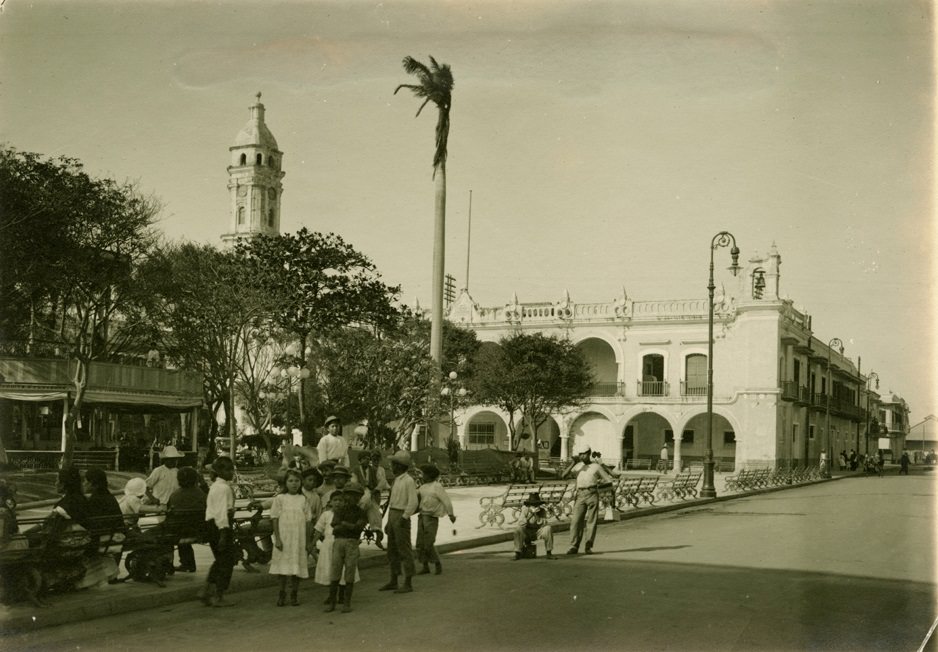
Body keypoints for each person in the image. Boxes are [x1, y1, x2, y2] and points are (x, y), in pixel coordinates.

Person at [270, 469, 313, 607]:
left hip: (298, 539)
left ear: (301, 483)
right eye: (291, 481)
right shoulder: (280, 498)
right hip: (284, 538)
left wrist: (308, 541)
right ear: (285, 483)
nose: (294, 484)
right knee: (282, 568)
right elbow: (275, 518)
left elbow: (308, 521)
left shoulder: (303, 499)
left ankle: (294, 593)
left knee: (296, 567)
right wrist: (277, 539)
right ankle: (281, 593)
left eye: (297, 481)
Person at [561, 445, 615, 555]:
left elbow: (608, 480)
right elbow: (563, 476)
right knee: (575, 521)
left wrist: (603, 491)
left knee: (591, 521)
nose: (581, 456)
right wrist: (573, 463)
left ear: (589, 453)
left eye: (584, 454)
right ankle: (574, 546)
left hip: (592, 493)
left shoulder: (596, 467)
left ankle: (588, 545)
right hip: (580, 495)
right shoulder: (578, 467)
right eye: (580, 454)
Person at [199, 456, 238, 607]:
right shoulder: (223, 488)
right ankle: (218, 595)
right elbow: (222, 513)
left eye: (232, 469)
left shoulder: (216, 486)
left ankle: (206, 590)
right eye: (228, 470)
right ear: (220, 471)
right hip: (220, 526)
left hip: (213, 525)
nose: (231, 472)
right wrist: (223, 533)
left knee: (220, 560)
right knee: (226, 563)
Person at [380, 450, 418, 594]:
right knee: (392, 549)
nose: (392, 467)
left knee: (404, 549)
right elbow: (392, 502)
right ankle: (394, 579)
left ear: (401, 466)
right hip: (393, 513)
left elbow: (413, 502)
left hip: (402, 515)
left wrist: (404, 517)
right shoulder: (396, 480)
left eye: (394, 464)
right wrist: (389, 521)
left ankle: (408, 582)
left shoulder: (408, 481)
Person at [324, 485, 367, 613]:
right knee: (335, 570)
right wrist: (350, 526)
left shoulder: (361, 512)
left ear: (359, 498)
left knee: (350, 571)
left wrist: (343, 524)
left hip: (352, 542)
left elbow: (357, 528)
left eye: (355, 496)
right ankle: (332, 603)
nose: (352, 498)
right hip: (339, 541)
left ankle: (346, 603)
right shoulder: (340, 510)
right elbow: (335, 526)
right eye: (349, 495)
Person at [313, 493, 360, 602]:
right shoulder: (326, 515)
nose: (338, 503)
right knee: (330, 569)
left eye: (340, 500)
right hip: (328, 546)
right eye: (335, 500)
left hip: (343, 544)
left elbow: (354, 530)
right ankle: (332, 595)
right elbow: (319, 530)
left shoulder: (348, 514)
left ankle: (342, 594)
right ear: (330, 502)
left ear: (344, 503)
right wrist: (312, 543)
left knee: (343, 569)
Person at [165, 466, 207, 573]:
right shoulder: (201, 494)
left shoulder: (175, 495)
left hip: (179, 531)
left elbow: (169, 513)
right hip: (198, 529)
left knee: (166, 533)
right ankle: (188, 564)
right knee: (183, 527)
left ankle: (168, 564)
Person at [416, 464, 456, 575]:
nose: (421, 476)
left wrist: (451, 514)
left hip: (431, 518)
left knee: (428, 543)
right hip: (422, 516)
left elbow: (446, 501)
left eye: (423, 474)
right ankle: (425, 566)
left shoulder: (437, 486)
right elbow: (415, 499)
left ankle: (437, 563)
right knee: (420, 543)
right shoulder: (422, 487)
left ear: (429, 475)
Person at [512, 492, 556, 560]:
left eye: (536, 504)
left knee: (548, 528)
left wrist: (536, 514)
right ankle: (517, 552)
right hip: (527, 531)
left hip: (537, 531)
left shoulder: (542, 510)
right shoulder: (525, 509)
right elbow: (521, 523)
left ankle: (549, 552)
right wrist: (531, 514)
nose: (535, 506)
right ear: (529, 505)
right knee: (518, 530)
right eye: (533, 504)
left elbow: (543, 523)